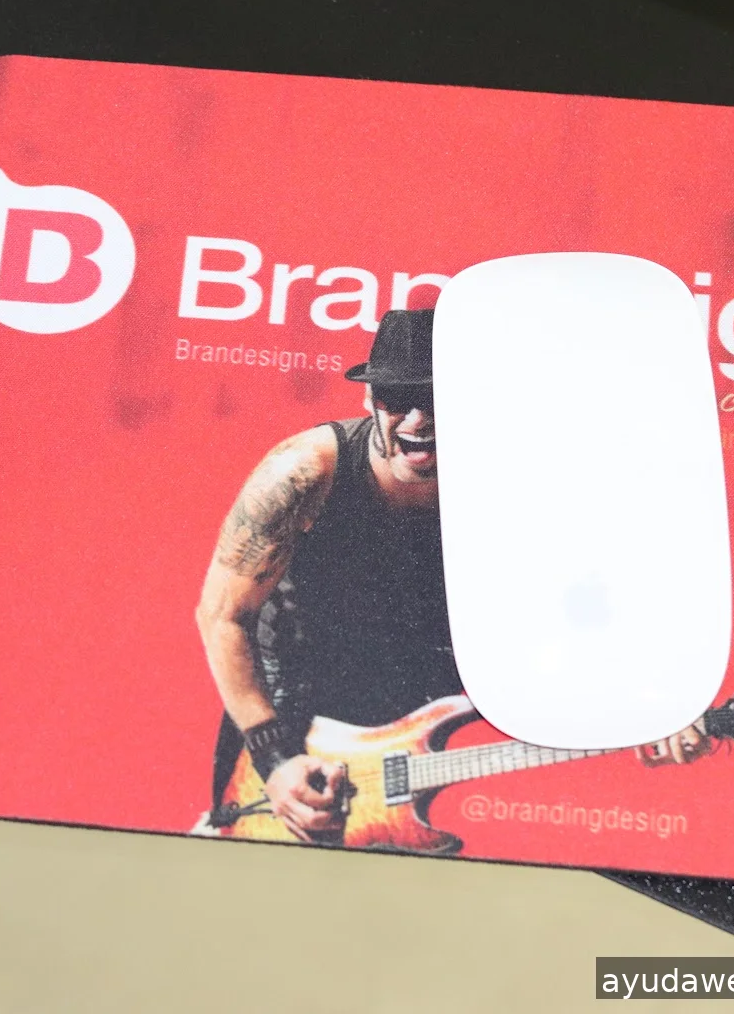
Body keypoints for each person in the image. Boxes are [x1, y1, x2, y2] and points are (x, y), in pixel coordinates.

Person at [194, 308, 705, 843]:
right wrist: (275, 760)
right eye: (398, 397)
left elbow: (586, 607)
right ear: (368, 399)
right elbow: (223, 615)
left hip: (423, 709)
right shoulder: (305, 471)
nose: (418, 419)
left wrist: (661, 701)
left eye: (440, 398)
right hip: (296, 716)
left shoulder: (525, 486)